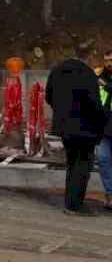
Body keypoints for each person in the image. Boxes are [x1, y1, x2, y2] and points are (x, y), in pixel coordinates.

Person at [46, 45, 109, 216]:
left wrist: (61, 112)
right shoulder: (87, 74)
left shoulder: (57, 71)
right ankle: (75, 205)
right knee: (82, 167)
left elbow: (48, 96)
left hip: (64, 127)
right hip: (84, 128)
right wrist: (103, 119)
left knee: (72, 163)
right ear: (88, 57)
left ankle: (70, 202)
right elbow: (94, 103)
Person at [96, 50, 112, 213]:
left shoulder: (103, 81)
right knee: (103, 160)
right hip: (103, 127)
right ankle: (109, 193)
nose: (109, 63)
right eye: (107, 60)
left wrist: (105, 85)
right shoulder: (98, 76)